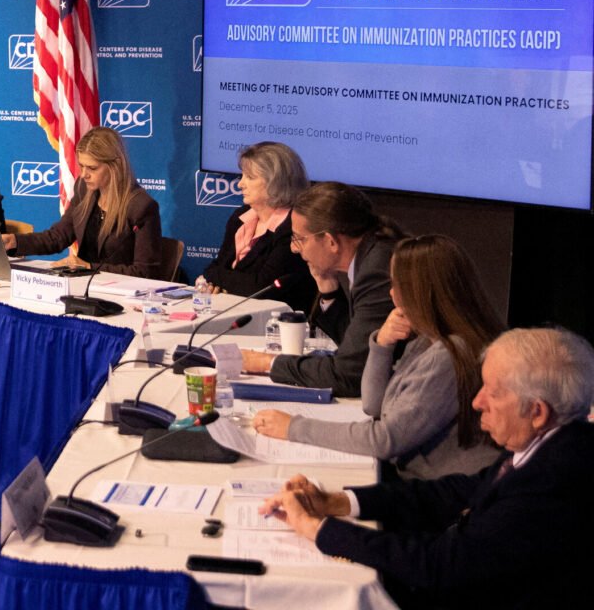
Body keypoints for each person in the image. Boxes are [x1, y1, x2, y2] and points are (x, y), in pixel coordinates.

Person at [259, 327, 594, 610]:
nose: (477, 402)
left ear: (537, 412)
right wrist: (337, 502)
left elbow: (439, 566)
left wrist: (318, 529)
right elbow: (453, 492)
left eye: (493, 393)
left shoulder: (555, 481)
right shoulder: (555, 444)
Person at [251, 234, 504, 479]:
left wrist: (294, 427)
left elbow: (385, 439)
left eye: (396, 284)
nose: (391, 294)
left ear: (421, 292)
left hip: (432, 489)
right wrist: (381, 344)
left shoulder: (449, 354)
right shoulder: (426, 340)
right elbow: (374, 405)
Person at [240, 181, 403, 396]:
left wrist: (268, 362)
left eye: (299, 239)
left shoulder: (377, 271)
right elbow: (354, 347)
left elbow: (349, 374)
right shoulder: (372, 254)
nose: (293, 248)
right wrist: (328, 290)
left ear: (330, 241)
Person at [3, 127, 162, 277]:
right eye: (81, 166)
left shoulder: (141, 206)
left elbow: (145, 272)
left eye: (92, 168)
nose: (84, 174)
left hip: (119, 290)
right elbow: (58, 237)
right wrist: (15, 241)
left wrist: (89, 267)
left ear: (115, 166)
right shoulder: (83, 189)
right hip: (81, 284)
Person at [204, 142, 315, 313]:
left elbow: (262, 287)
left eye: (250, 177)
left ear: (276, 182)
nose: (240, 184)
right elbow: (214, 268)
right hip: (233, 310)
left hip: (277, 318)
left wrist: (220, 278)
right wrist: (219, 279)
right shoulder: (240, 217)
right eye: (242, 176)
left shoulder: (292, 225)